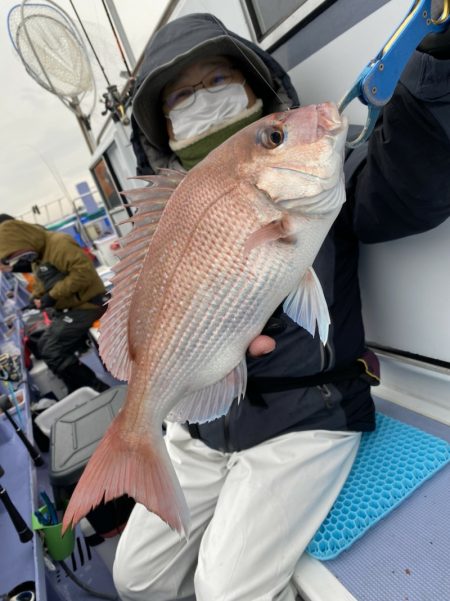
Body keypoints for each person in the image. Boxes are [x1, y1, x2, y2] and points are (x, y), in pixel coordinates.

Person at [113, 12, 450, 601]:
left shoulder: (327, 178)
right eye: (183, 96)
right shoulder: (163, 211)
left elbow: (408, 185)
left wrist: (439, 60)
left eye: (218, 79)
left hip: (304, 412)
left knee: (225, 591)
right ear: (162, 132)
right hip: (199, 417)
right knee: (134, 577)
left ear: (255, 85)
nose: (203, 100)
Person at [0, 215, 110, 394]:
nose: (17, 259)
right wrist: (36, 298)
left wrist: (51, 296)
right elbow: (41, 283)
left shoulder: (59, 243)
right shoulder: (38, 255)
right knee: (42, 344)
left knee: (52, 350)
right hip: (70, 309)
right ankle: (77, 387)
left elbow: (83, 274)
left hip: (88, 305)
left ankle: (96, 389)